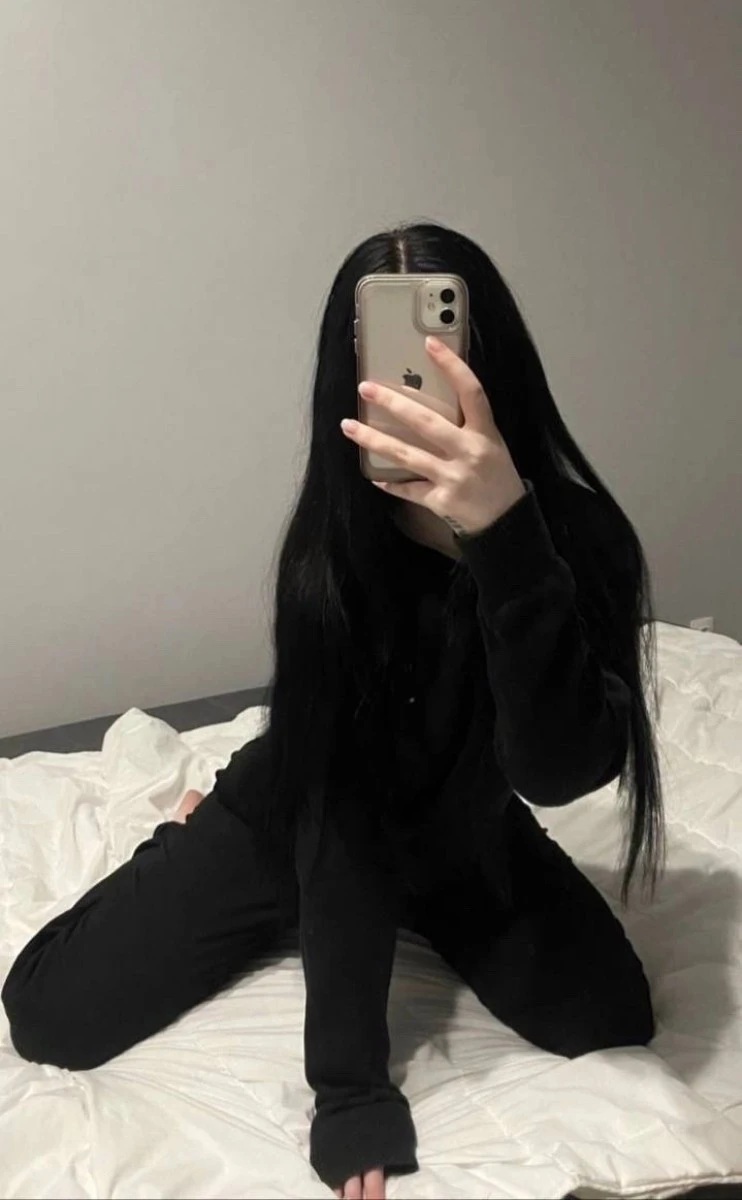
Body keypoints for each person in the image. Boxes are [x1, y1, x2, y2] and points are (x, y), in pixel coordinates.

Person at [2, 221, 666, 1200]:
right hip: (306, 801)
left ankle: (406, 878)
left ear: (487, 361)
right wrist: (350, 1090)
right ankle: (191, 822)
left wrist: (504, 539)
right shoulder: (335, 546)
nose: (409, 388)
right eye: (382, 356)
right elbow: (342, 813)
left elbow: (557, 771)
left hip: (463, 819)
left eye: (439, 349)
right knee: (49, 1012)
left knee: (607, 1019)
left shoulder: (574, 534)